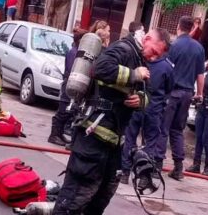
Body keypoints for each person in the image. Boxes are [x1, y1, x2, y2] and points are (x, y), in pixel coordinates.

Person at [52, 26, 150, 214]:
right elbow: (100, 68)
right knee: (75, 196)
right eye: (156, 50)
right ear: (147, 40)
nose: (156, 57)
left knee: (101, 196)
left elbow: (148, 93)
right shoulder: (123, 49)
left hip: (114, 143)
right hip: (92, 137)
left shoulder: (142, 60)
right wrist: (134, 74)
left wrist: (141, 100)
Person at [154, 16, 205, 181]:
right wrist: (200, 94)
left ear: (178, 27)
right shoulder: (199, 48)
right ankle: (178, 167)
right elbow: (200, 74)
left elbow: (166, 69)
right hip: (188, 93)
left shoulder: (174, 46)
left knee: (163, 128)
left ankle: (157, 165)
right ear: (191, 29)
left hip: (172, 93)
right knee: (177, 130)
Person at [120, 28, 174, 184]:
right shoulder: (166, 67)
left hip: (139, 107)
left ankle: (124, 172)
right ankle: (143, 177)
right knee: (149, 143)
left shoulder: (140, 60)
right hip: (151, 109)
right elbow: (169, 90)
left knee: (130, 138)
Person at [48, 28, 87, 146]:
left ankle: (59, 134)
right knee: (63, 110)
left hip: (72, 84)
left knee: (69, 111)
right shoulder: (73, 52)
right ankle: (54, 135)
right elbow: (71, 69)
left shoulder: (78, 52)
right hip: (69, 84)